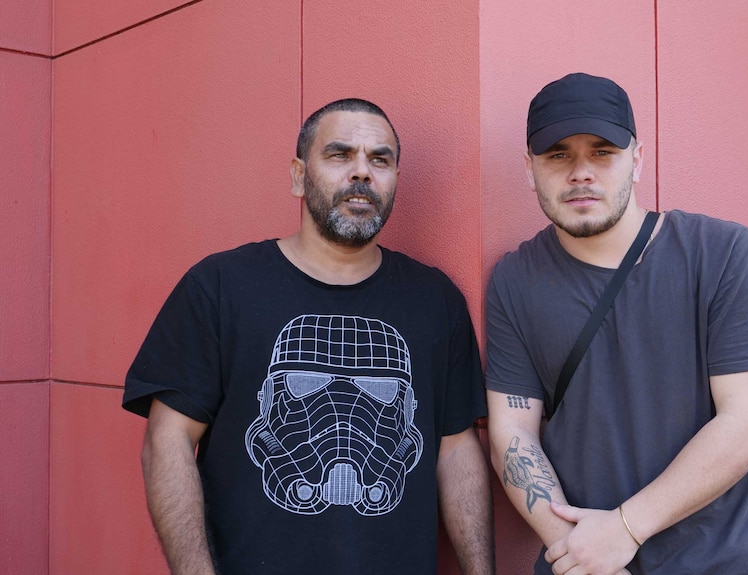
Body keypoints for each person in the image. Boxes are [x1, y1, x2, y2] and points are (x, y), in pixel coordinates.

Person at [123, 98, 494, 575]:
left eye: (380, 159)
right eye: (340, 155)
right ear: (299, 175)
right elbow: (167, 442)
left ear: (395, 179)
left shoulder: (435, 301)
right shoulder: (219, 288)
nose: (362, 172)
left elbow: (456, 450)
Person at [485, 73, 748, 575]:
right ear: (530, 169)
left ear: (637, 160)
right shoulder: (514, 279)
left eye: (602, 152)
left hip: (731, 560)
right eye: (557, 155)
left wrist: (624, 529)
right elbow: (513, 432)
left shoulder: (723, 253)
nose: (580, 173)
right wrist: (582, 555)